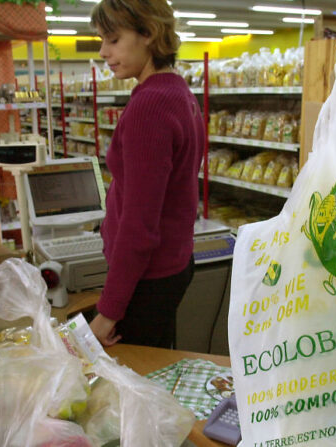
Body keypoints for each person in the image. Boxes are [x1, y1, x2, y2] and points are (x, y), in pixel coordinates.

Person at [88, 0, 204, 348]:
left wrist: (108, 311)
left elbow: (139, 226)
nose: (103, 52)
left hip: (146, 277)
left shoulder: (149, 108)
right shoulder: (178, 92)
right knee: (156, 371)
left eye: (112, 39)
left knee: (133, 384)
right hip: (172, 265)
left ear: (148, 34)